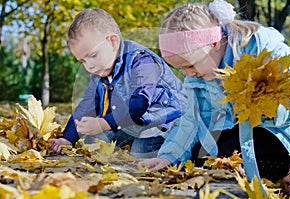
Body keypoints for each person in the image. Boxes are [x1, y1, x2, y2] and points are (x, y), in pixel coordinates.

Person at [139, 0, 290, 196]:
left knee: (245, 147)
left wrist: (267, 105)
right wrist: (168, 158)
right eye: (180, 69)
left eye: (191, 65)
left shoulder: (268, 55)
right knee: (203, 153)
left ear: (214, 44)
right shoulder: (200, 78)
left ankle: (274, 173)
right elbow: (191, 121)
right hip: (238, 136)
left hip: (281, 137)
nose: (188, 74)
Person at [49, 8, 187, 159]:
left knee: (140, 152)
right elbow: (86, 105)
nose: (89, 65)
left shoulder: (141, 60)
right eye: (83, 61)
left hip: (166, 122)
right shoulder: (100, 74)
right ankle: (133, 138)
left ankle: (179, 147)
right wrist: (67, 138)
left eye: (93, 55)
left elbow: (139, 103)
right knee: (94, 142)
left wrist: (103, 123)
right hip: (135, 123)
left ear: (113, 42)